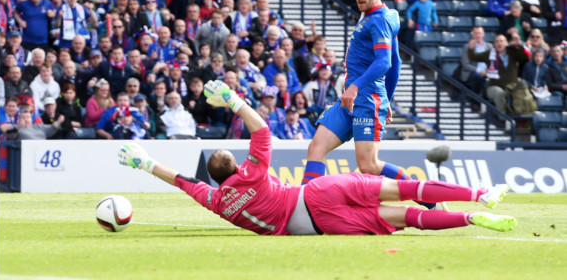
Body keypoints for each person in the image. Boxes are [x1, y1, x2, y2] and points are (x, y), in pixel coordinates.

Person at [118, 79, 517, 236]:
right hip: (316, 195)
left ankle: (469, 219)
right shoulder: (253, 172)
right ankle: (479, 195)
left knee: (408, 218)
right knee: (405, 188)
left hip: (320, 225)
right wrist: (234, 101)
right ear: (236, 166)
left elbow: (183, 182)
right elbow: (261, 130)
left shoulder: (218, 201)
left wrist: (144, 162)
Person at [301, 0, 440, 207]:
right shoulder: (377, 15)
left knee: (369, 165)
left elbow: (385, 63)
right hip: (350, 100)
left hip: (364, 98)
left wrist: (359, 89)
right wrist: (388, 100)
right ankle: (302, 204)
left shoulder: (378, 20)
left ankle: (420, 193)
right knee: (316, 147)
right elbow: (395, 63)